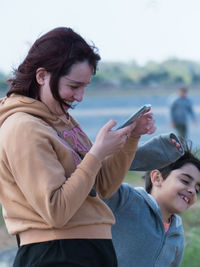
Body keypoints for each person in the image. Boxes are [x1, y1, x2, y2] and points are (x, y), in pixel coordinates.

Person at [0, 27, 155, 266]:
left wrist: (130, 139)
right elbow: (57, 211)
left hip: (88, 248)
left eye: (85, 87)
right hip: (57, 253)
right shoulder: (22, 127)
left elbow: (103, 187)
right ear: (41, 76)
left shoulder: (61, 120)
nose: (80, 97)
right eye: (73, 86)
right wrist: (97, 153)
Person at [104, 143, 200, 267]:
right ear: (157, 178)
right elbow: (100, 174)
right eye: (185, 181)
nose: (192, 191)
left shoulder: (177, 234)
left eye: (197, 189)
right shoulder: (126, 199)